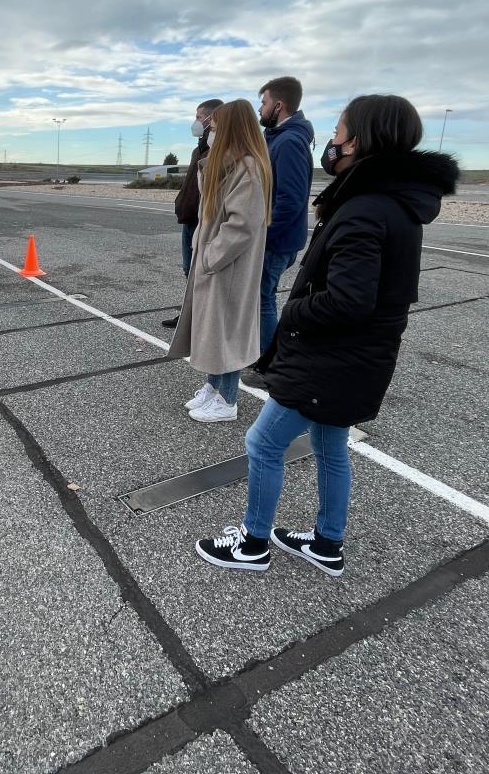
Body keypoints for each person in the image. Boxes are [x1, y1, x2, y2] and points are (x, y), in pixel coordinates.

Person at [196, 95, 458, 577]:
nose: (332, 142)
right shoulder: (398, 202)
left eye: (339, 132)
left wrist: (293, 312)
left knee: (263, 444)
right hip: (365, 357)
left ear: (361, 140)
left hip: (331, 358)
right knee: (330, 446)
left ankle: (253, 543)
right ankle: (327, 541)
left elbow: (348, 300)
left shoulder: (365, 209)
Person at [167, 99, 272, 423]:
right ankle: (213, 387)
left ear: (230, 129)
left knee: (228, 333)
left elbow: (241, 226)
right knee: (214, 331)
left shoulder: (249, 168)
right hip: (217, 263)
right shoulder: (226, 163)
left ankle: (227, 399)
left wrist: (210, 255)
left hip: (229, 267)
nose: (209, 132)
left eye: (214, 127)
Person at [242, 76, 314, 387]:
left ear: (279, 105)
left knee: (263, 298)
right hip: (272, 238)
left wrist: (263, 237)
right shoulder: (277, 138)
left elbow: (290, 199)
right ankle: (263, 357)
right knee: (261, 297)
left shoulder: (289, 142)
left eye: (264, 102)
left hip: (275, 241)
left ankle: (269, 366)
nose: (261, 108)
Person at [163, 98, 223, 329]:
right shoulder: (199, 148)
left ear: (211, 119)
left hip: (203, 221)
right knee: (189, 271)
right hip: (190, 219)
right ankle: (190, 315)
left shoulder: (217, 150)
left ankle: (198, 319)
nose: (196, 122)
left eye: (199, 117)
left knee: (200, 272)